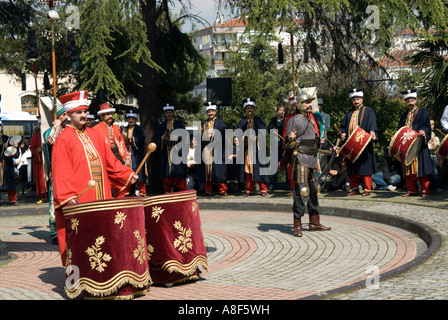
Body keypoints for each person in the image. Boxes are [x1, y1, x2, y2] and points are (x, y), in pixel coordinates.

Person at [52, 90, 138, 266]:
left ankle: (105, 272)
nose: (83, 115)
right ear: (69, 114)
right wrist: (68, 197)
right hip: (81, 199)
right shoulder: (63, 139)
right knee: (83, 237)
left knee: (104, 234)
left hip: (102, 195)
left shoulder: (94, 135)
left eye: (84, 111)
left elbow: (110, 162)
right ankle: (84, 275)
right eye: (78, 112)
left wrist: (127, 174)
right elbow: (61, 171)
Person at [286, 92, 331, 237]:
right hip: (300, 158)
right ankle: (297, 224)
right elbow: (289, 143)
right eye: (306, 102)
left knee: (314, 189)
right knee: (301, 191)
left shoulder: (311, 119)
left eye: (310, 102)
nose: (309, 104)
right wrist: (291, 138)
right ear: (299, 105)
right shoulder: (294, 120)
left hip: (312, 158)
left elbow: (316, 139)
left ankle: (314, 222)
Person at [339, 88, 378, 196]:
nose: (356, 101)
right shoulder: (349, 113)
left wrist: (372, 131)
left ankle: (367, 189)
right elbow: (342, 127)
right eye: (354, 100)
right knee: (351, 168)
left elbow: (372, 124)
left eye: (357, 99)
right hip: (351, 144)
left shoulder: (368, 110)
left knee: (365, 167)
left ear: (362, 99)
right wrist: (342, 134)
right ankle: (354, 189)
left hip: (363, 143)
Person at [398, 89, 433, 197]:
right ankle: (411, 190)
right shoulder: (404, 115)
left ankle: (425, 190)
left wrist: (424, 131)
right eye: (408, 101)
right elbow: (400, 128)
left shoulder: (422, 111)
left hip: (419, 145)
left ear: (416, 100)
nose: (410, 103)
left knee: (421, 168)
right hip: (408, 146)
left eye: (412, 100)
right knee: (408, 169)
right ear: (405, 102)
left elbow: (426, 125)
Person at [43, 103, 69, 244]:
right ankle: (55, 232)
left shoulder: (68, 130)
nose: (66, 117)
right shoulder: (50, 131)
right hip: (56, 173)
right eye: (63, 115)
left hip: (70, 172)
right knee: (55, 203)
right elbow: (50, 140)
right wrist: (56, 125)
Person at [93, 102, 128, 197]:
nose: (110, 116)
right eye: (107, 114)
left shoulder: (116, 128)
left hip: (117, 155)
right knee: (107, 180)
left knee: (120, 179)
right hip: (104, 156)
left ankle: (120, 200)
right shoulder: (96, 129)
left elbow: (122, 143)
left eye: (111, 114)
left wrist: (125, 156)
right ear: (102, 116)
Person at [237, 98, 269, 197]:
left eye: (251, 108)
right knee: (248, 170)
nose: (249, 110)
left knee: (258, 169)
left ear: (254, 109)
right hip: (247, 150)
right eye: (248, 108)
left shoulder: (259, 121)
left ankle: (263, 189)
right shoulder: (242, 122)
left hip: (257, 149)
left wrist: (256, 137)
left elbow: (263, 133)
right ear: (245, 110)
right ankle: (249, 189)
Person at [154, 104, 188, 193]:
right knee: (166, 175)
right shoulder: (161, 126)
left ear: (173, 113)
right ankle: (167, 193)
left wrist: (178, 138)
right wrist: (161, 139)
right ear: (165, 114)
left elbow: (185, 137)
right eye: (167, 113)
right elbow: (156, 138)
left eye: (170, 112)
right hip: (166, 153)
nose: (169, 114)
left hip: (177, 153)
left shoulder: (179, 125)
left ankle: (183, 193)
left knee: (179, 174)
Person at [197, 102, 228, 196]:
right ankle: (208, 190)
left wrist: (214, 133)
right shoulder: (203, 123)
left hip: (218, 149)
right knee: (207, 172)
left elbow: (225, 135)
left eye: (212, 111)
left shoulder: (221, 123)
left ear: (215, 112)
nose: (210, 113)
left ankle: (222, 190)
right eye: (209, 111)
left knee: (219, 171)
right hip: (206, 150)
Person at [121, 110, 147, 196]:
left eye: (133, 118)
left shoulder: (140, 129)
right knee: (128, 173)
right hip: (127, 154)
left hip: (137, 154)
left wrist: (132, 138)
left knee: (139, 172)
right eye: (129, 118)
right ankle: (128, 192)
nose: (131, 120)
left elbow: (141, 140)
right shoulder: (124, 129)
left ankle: (142, 192)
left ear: (136, 119)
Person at [29, 120, 48, 204]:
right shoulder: (36, 136)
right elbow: (32, 148)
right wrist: (37, 150)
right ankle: (43, 196)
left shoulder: (49, 133)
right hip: (40, 162)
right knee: (41, 179)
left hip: (49, 160)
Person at [1, 121, 19, 206]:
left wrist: (16, 147)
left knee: (10, 183)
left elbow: (15, 154)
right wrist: (2, 146)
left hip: (7, 164)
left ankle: (12, 199)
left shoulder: (7, 138)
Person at [267, 105, 285, 190]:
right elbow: (269, 129)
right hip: (275, 146)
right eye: (280, 110)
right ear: (277, 112)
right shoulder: (273, 121)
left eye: (283, 110)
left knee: (286, 165)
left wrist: (278, 128)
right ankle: (272, 184)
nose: (282, 112)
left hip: (284, 146)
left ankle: (288, 184)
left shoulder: (286, 121)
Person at [428, 119, 442, 192]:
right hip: (428, 156)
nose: (432, 126)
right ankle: (433, 188)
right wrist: (431, 147)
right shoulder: (426, 134)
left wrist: (436, 145)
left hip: (433, 156)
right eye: (430, 124)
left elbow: (437, 143)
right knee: (433, 172)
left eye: (433, 124)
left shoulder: (433, 134)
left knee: (435, 171)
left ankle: (435, 187)